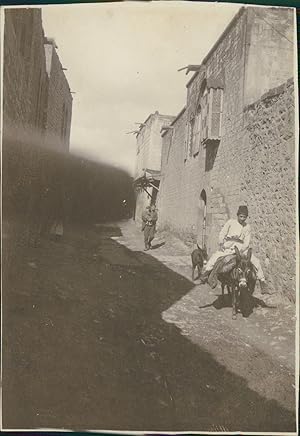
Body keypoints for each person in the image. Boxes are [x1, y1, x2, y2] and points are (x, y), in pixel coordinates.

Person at [200, 205, 268, 293]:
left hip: (241, 248)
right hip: (229, 246)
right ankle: (206, 274)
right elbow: (222, 233)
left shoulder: (247, 227)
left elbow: (246, 241)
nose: (242, 219)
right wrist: (221, 243)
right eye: (241, 216)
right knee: (215, 258)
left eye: (244, 217)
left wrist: (241, 251)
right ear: (237, 215)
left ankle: (262, 281)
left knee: (256, 261)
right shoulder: (231, 222)